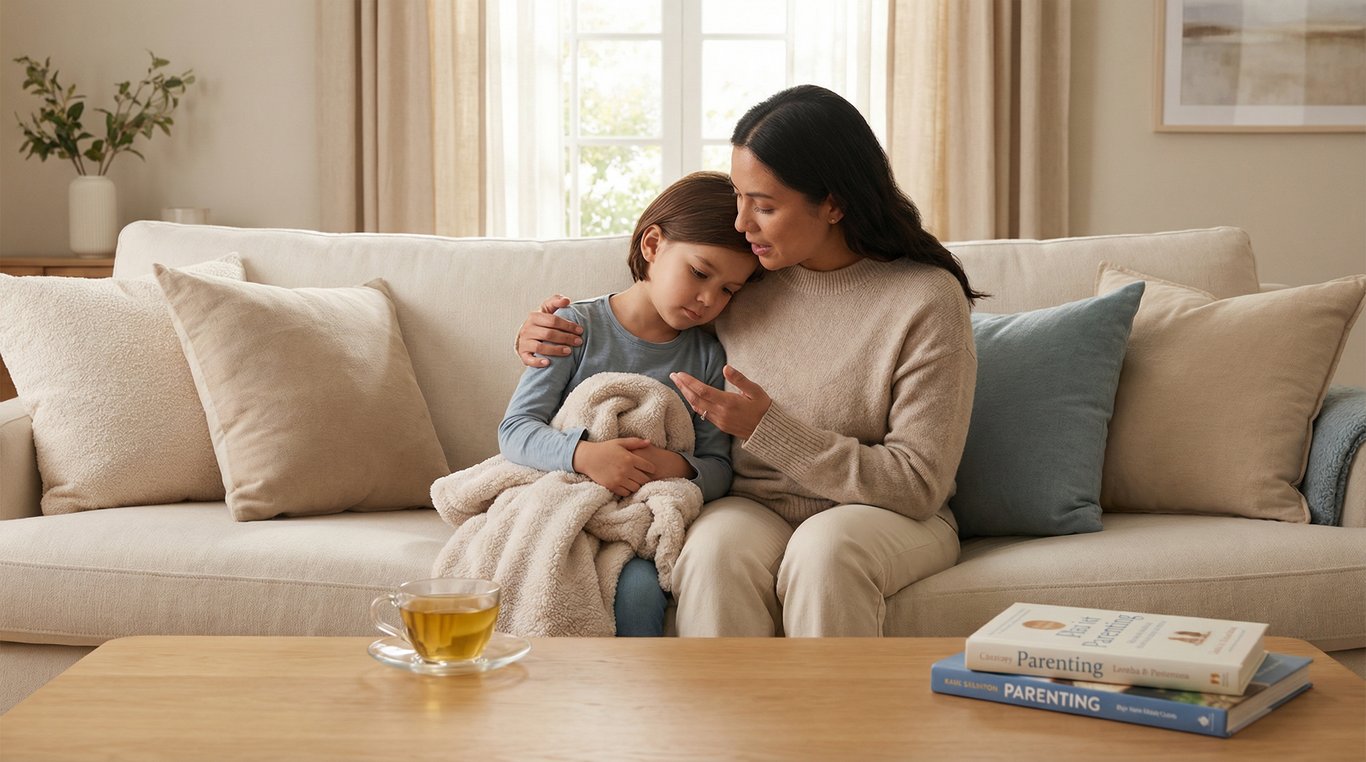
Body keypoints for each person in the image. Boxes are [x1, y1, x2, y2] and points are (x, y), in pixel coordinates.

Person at [515, 85, 984, 637]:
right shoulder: (741, 283)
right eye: (739, 197)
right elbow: (643, 320)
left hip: (891, 515)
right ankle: (722, 701)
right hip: (754, 506)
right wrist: (542, 334)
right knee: (711, 555)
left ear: (833, 204)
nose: (741, 224)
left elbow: (918, 483)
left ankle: (836, 702)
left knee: (825, 553)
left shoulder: (925, 299)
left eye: (764, 206)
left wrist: (770, 430)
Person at [498, 171, 760, 637]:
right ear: (652, 245)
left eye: (728, 290)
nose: (708, 299)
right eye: (700, 273)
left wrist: (669, 466)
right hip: (562, 501)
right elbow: (516, 430)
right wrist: (586, 455)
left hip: (640, 518)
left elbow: (719, 467)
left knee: (638, 590)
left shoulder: (707, 357)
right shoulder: (573, 327)